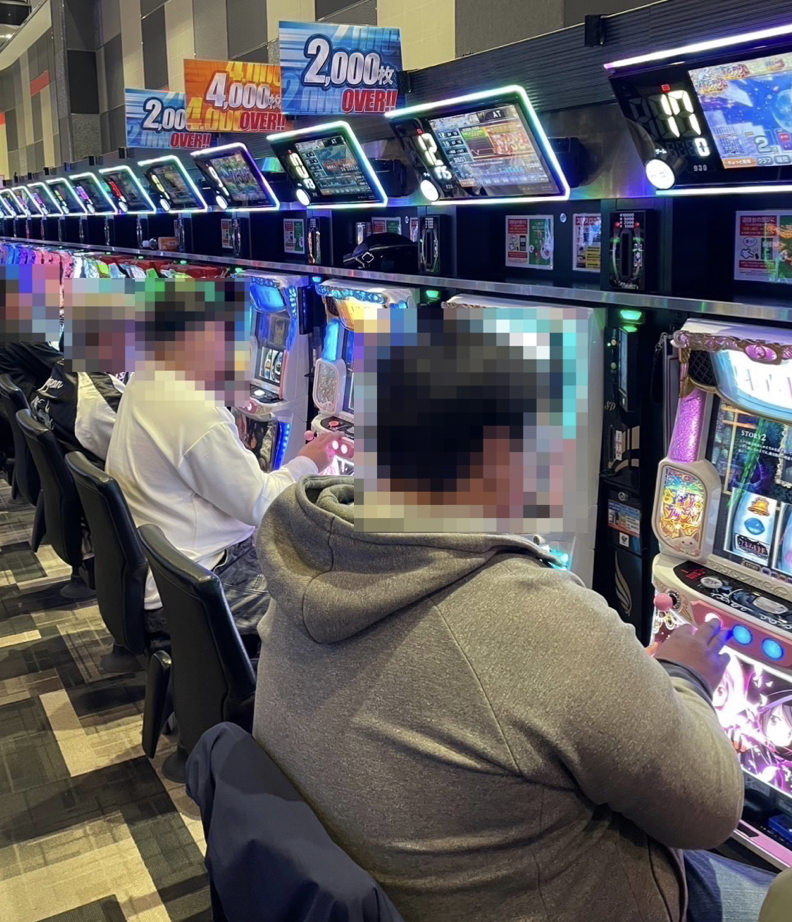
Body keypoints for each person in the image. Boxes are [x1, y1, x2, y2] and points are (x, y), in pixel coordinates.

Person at [253, 308, 775, 922]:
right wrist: (686, 676)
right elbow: (711, 813)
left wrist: (622, 682)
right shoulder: (537, 617)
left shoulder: (312, 564)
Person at [105, 280, 336, 639]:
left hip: (167, 571)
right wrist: (311, 460)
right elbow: (262, 506)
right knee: (322, 601)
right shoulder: (194, 411)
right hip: (194, 589)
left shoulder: (150, 377)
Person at [30, 359, 125, 463]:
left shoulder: (64, 366)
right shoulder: (105, 398)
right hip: (93, 466)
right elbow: (129, 454)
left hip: (59, 462)